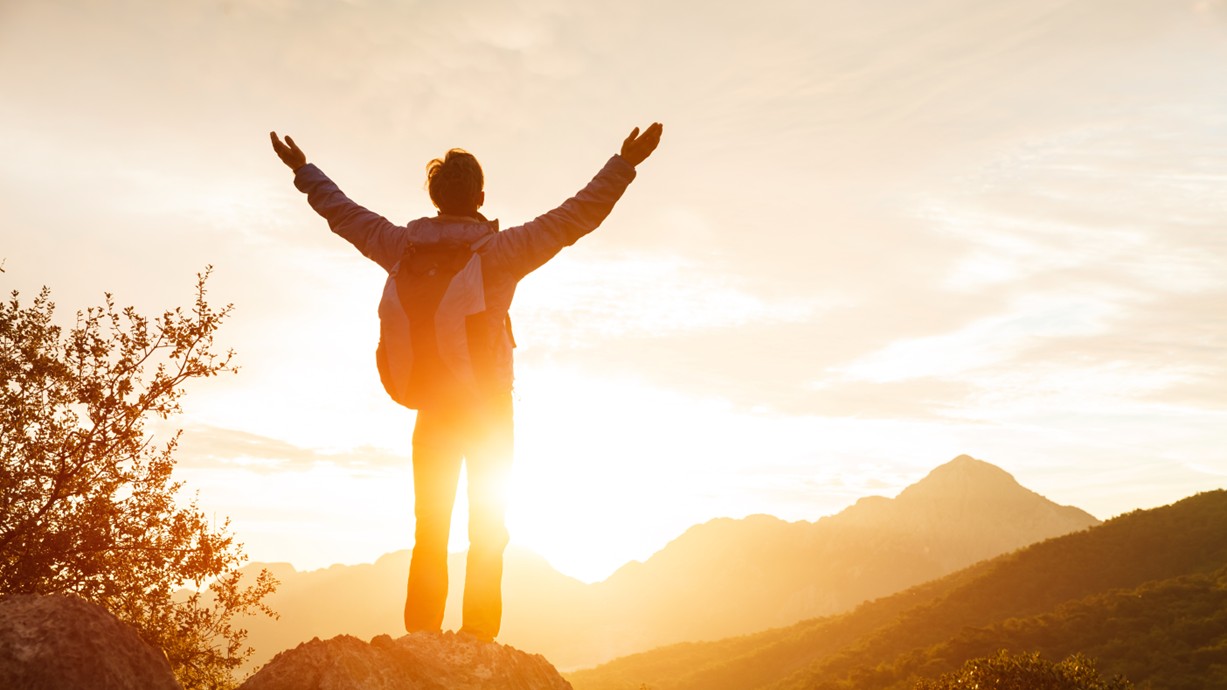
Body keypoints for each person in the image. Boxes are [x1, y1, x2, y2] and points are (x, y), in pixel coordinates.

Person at [270, 123, 663, 642]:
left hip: (432, 406)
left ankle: (421, 637)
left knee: (430, 528)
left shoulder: (401, 247)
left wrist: (303, 170)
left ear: (434, 199)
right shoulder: (500, 252)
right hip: (488, 410)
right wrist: (625, 163)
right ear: (480, 197)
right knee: (488, 527)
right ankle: (477, 637)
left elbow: (343, 213)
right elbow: (575, 216)